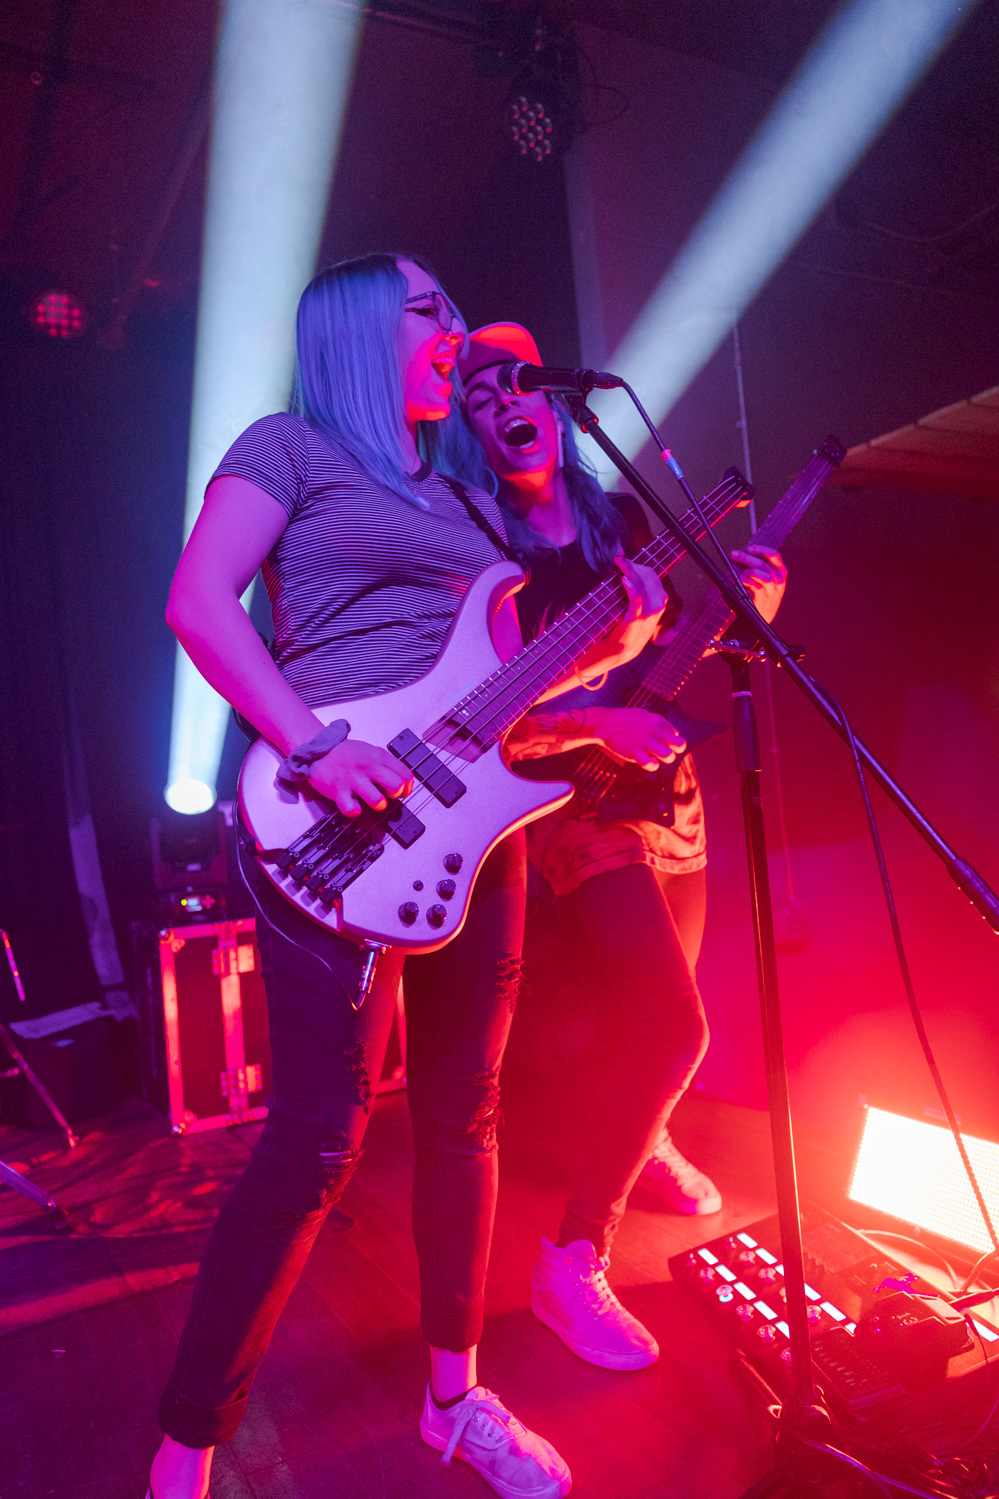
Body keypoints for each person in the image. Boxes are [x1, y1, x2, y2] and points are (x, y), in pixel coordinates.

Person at [149, 257, 669, 1499]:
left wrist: (613, 644)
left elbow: (496, 693)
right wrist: (316, 745)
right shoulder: (289, 445)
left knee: (464, 1114)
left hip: (469, 829)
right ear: (366, 330)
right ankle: (185, 1445)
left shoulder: (465, 494)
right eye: (435, 311)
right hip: (331, 816)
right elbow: (199, 601)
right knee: (319, 1139)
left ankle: (456, 1397)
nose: (458, 335)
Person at [446, 322, 786, 1374]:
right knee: (675, 1028)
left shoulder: (623, 521)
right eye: (477, 389)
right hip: (574, 799)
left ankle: (649, 1137)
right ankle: (570, 1260)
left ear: (555, 401)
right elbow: (485, 716)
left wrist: (749, 611)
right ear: (468, 424)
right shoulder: (479, 549)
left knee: (668, 1005)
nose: (505, 397)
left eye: (522, 378)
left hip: (668, 788)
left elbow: (672, 654)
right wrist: (596, 724)